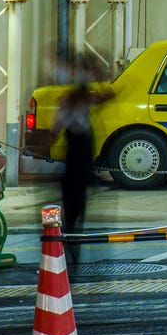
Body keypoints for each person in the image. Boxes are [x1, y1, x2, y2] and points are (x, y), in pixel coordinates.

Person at [55, 58, 108, 265]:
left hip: (75, 168)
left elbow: (54, 130)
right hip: (78, 168)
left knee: (73, 208)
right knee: (76, 208)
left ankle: (71, 243)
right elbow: (107, 95)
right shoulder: (75, 104)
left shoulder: (74, 104)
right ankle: (71, 243)